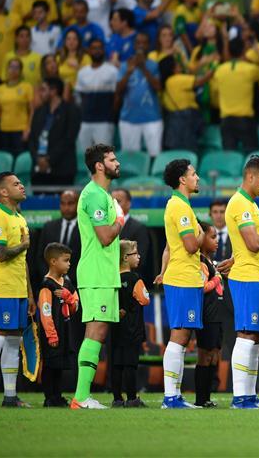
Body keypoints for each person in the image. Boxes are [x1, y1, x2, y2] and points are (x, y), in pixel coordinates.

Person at [72, 144, 124, 410]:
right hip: (95, 273)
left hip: (103, 273)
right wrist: (120, 221)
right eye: (112, 159)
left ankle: (82, 396)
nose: (118, 163)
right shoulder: (93, 195)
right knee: (95, 332)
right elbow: (105, 236)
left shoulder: (101, 194)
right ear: (100, 165)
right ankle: (81, 397)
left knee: (97, 332)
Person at [154, 159, 205, 409]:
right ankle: (171, 397)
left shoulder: (177, 204)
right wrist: (203, 233)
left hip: (182, 277)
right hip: (183, 279)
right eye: (194, 174)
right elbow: (191, 245)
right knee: (179, 337)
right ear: (182, 180)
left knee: (182, 337)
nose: (198, 178)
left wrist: (163, 272)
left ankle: (174, 395)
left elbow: (168, 247)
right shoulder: (180, 207)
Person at [0, 171, 34, 409]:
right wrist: (22, 245)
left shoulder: (20, 218)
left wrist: (30, 294)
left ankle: (10, 396)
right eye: (16, 184)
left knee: (14, 341)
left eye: (21, 182)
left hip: (19, 290)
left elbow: (24, 261)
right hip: (2, 289)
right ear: (3, 192)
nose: (22, 186)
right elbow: (1, 255)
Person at [226, 154, 259, 409]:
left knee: (255, 337)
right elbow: (254, 243)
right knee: (246, 334)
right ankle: (240, 397)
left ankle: (250, 395)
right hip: (246, 277)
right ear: (251, 176)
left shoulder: (252, 204)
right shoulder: (241, 204)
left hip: (255, 276)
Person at [37, 242, 78, 408]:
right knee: (50, 364)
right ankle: (49, 398)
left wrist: (69, 298)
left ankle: (58, 396)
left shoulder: (67, 284)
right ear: (53, 261)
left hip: (65, 330)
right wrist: (51, 334)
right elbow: (45, 311)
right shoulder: (47, 285)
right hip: (52, 332)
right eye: (66, 260)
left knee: (59, 365)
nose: (69, 264)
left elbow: (76, 306)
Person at [110, 239, 149, 408]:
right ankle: (132, 398)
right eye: (135, 254)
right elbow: (145, 299)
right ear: (126, 257)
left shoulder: (111, 279)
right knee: (130, 364)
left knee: (117, 363)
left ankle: (117, 399)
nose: (139, 257)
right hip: (132, 329)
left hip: (115, 328)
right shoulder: (135, 278)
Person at [28, 77, 81, 186]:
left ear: (53, 91)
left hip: (62, 170)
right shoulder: (39, 111)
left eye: (43, 90)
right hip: (39, 170)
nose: (40, 93)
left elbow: (69, 139)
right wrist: (38, 159)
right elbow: (32, 139)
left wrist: (49, 159)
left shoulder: (71, 110)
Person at [194, 223, 223, 408]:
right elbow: (203, 287)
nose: (217, 241)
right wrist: (218, 278)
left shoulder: (210, 261)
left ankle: (208, 396)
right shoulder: (200, 262)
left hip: (217, 313)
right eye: (212, 237)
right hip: (207, 314)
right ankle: (200, 398)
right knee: (205, 354)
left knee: (214, 354)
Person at [74, 39, 118, 149]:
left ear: (103, 50)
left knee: (104, 156)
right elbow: (80, 97)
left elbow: (117, 96)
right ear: (89, 51)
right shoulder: (82, 72)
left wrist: (111, 115)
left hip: (105, 121)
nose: (97, 51)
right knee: (84, 155)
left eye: (99, 48)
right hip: (85, 121)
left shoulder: (112, 71)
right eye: (94, 48)